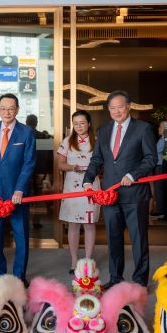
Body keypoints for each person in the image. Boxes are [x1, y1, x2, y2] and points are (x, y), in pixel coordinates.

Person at [83, 90, 156, 288]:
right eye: (112, 108)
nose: (116, 111)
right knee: (113, 239)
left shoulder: (143, 128)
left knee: (138, 240)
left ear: (128, 107)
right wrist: (88, 180)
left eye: (120, 107)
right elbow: (97, 159)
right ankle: (115, 278)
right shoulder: (104, 130)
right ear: (108, 110)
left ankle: (140, 282)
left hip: (135, 194)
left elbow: (151, 159)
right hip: (110, 195)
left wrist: (133, 175)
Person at [0, 93, 36, 284]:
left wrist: (20, 189)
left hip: (17, 195)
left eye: (11, 109)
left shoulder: (26, 132)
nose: (7, 112)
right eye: (3, 108)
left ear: (17, 110)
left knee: (21, 236)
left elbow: (29, 164)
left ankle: (19, 276)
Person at [56, 110, 100, 273]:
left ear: (89, 123)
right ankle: (74, 260)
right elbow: (60, 164)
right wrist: (72, 167)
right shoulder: (67, 141)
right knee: (73, 224)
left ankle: (88, 260)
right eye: (75, 124)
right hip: (72, 185)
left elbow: (103, 163)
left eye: (82, 123)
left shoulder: (97, 141)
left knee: (89, 223)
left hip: (90, 185)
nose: (79, 126)